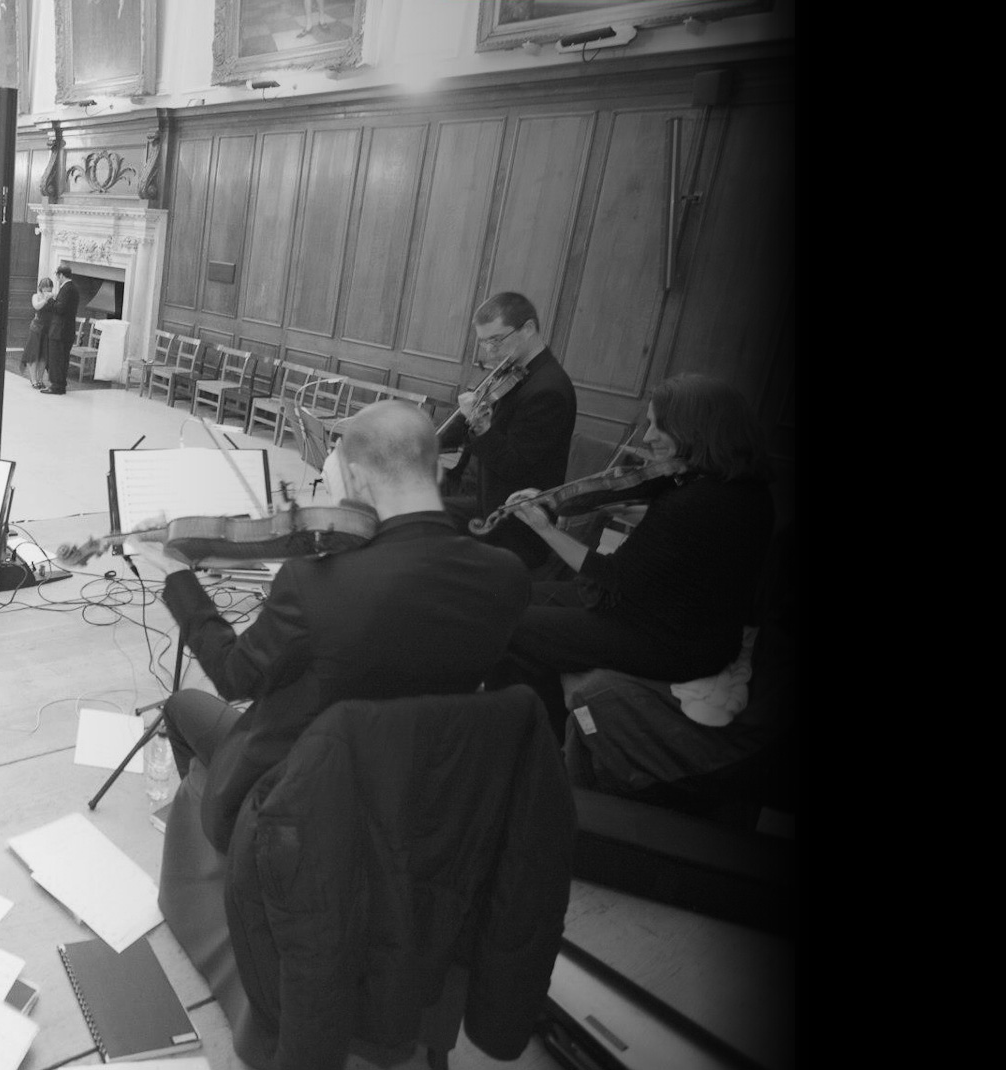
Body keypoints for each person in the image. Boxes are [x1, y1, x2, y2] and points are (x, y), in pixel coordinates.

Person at [132, 400, 530, 849]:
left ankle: (227, 862)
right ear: (437, 474)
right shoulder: (506, 575)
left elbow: (233, 675)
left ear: (357, 478)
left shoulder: (316, 585)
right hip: (417, 783)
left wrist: (176, 577)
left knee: (182, 705)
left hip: (298, 790)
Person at [496, 374, 776, 736]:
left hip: (670, 641)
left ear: (695, 429)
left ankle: (539, 733)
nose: (647, 436)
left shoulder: (695, 501)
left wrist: (544, 527)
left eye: (660, 426)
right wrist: (561, 497)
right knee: (517, 595)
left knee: (510, 625)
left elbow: (610, 574)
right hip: (678, 619)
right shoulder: (741, 487)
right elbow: (679, 547)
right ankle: (544, 719)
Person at [438, 292, 576, 571]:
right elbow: (465, 421)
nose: (490, 351)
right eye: (483, 342)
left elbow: (515, 465)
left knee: (432, 531)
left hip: (513, 520)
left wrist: (481, 425)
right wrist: (425, 443)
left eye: (496, 340)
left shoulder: (549, 389)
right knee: (422, 516)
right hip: (485, 500)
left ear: (528, 329)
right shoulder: (512, 370)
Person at [40, 265, 79, 394]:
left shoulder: (67, 289)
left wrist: (49, 299)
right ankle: (60, 385)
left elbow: (60, 309)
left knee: (56, 359)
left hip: (60, 331)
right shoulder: (73, 288)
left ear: (61, 275)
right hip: (66, 330)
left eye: (57, 276)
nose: (57, 279)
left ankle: (56, 386)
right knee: (62, 360)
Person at [21, 275, 54, 390]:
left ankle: (40, 379)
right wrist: (45, 299)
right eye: (45, 287)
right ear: (41, 287)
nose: (48, 290)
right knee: (33, 355)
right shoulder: (36, 296)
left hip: (47, 329)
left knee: (44, 356)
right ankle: (34, 380)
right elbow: (37, 306)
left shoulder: (53, 298)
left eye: (49, 287)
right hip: (36, 328)